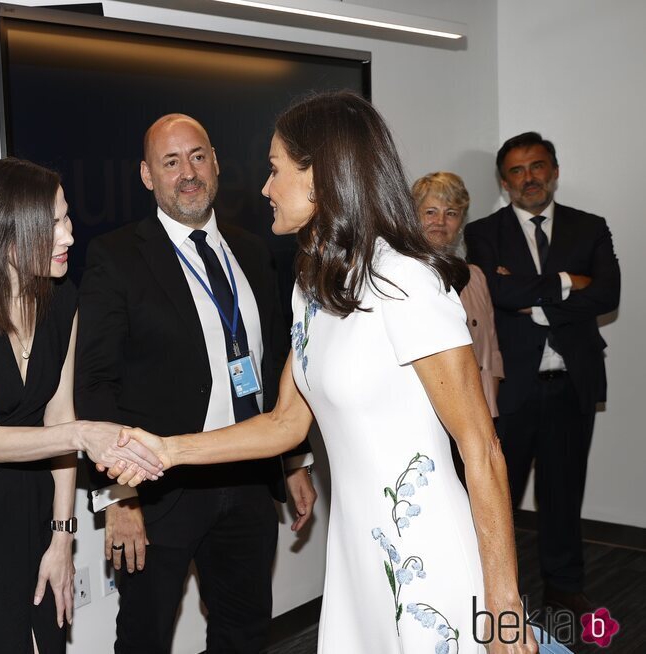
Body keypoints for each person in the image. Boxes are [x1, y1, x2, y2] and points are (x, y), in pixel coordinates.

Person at [112, 92, 538, 653]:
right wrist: (166, 451)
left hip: (427, 554)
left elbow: (482, 450)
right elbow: (285, 424)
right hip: (355, 554)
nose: (264, 187)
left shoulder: (405, 280)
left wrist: (503, 614)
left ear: (322, 178)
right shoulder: (312, 286)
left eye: (275, 169)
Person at [74, 114, 315, 654]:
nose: (188, 173)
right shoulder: (116, 257)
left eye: (198, 156)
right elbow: (95, 383)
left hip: (250, 478)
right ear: (146, 175)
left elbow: (279, 361)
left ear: (216, 163)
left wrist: (294, 461)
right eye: (171, 161)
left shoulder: (253, 251)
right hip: (159, 489)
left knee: (245, 631)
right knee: (145, 636)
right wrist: (120, 494)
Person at [0, 158, 161, 653]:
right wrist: (82, 435)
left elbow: (59, 412)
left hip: (37, 494)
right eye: (53, 224)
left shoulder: (61, 298)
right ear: (6, 233)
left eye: (66, 218)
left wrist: (62, 536)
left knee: (47, 639)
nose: (70, 235)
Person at [464, 133, 620, 616]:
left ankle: (564, 586)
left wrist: (537, 302)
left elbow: (608, 296)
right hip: (512, 389)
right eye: (517, 170)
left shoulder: (590, 227)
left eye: (537, 166)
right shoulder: (484, 233)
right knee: (499, 496)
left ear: (553, 170)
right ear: (503, 179)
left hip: (572, 384)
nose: (528, 177)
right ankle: (495, 589)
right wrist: (571, 283)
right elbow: (500, 295)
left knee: (564, 492)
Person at [414, 172, 503, 420]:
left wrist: (488, 407)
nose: (440, 221)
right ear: (412, 217)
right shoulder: (402, 274)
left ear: (461, 222)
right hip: (427, 413)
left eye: (451, 213)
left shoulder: (475, 276)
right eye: (430, 211)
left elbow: (492, 349)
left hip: (477, 411)